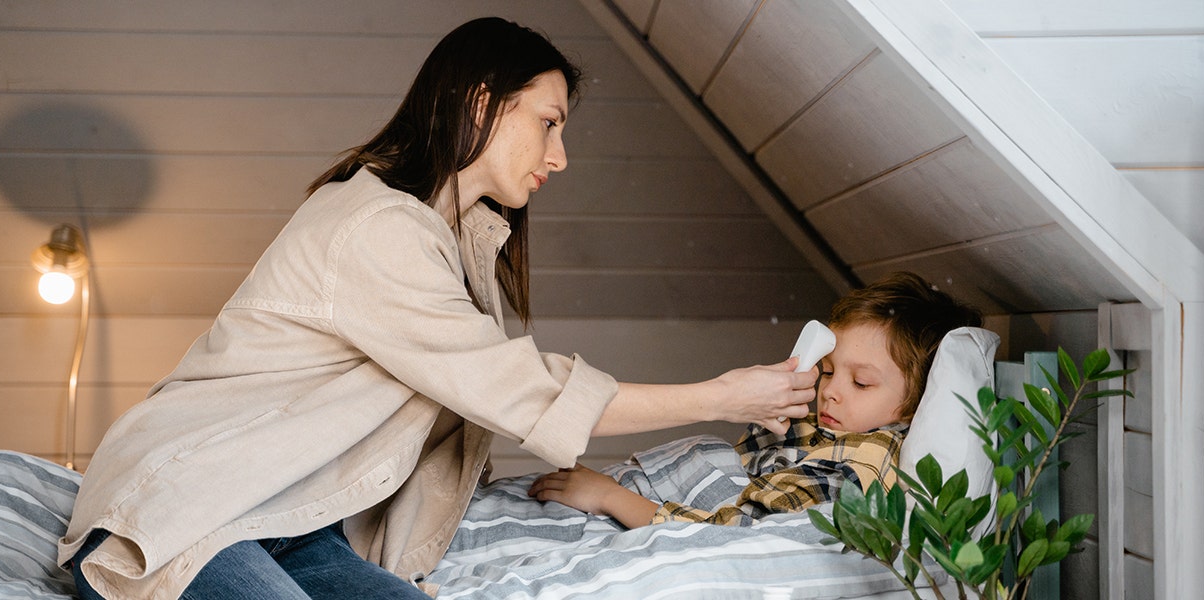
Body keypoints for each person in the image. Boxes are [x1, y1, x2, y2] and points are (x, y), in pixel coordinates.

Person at [58, 17, 816, 600]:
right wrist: (720, 396)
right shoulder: (375, 226)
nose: (560, 157)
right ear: (482, 104)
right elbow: (521, 388)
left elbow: (436, 433)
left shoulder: (451, 241)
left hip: (293, 525)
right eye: (548, 123)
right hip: (188, 507)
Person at [529, 271, 982, 528]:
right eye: (827, 370)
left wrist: (609, 497)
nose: (833, 390)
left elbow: (734, 534)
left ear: (913, 403)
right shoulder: (814, 427)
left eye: (861, 383)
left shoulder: (862, 462)